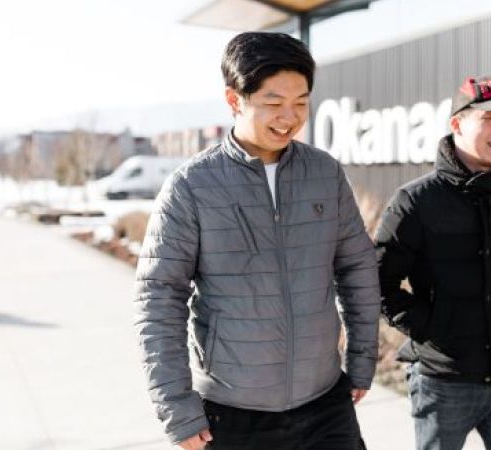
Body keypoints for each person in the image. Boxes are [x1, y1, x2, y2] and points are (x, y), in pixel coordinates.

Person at [134, 32, 380, 450]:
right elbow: (159, 297)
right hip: (233, 414)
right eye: (273, 102)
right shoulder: (191, 186)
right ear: (234, 100)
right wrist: (176, 405)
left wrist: (361, 359)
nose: (290, 117)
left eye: (301, 102)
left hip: (325, 405)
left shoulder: (325, 174)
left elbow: (357, 267)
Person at [375, 74, 491, 450]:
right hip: (444, 382)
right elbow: (378, 283)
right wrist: (432, 328)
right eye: (490, 119)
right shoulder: (415, 202)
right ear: (457, 124)